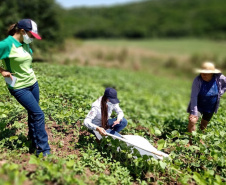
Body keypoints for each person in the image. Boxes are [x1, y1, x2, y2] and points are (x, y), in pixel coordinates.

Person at [0, 19, 50, 156]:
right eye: (32, 35)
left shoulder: (24, 43)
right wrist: (2, 71)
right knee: (38, 114)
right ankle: (44, 150)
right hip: (19, 87)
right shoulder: (6, 44)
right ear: (22, 31)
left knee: (33, 114)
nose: (33, 38)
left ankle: (34, 142)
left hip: (33, 83)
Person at [187, 61, 226, 144]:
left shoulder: (219, 78)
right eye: (202, 72)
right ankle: (190, 141)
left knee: (204, 124)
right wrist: (194, 113)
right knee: (192, 121)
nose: (203, 75)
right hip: (198, 105)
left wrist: (220, 92)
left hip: (210, 106)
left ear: (212, 73)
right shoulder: (197, 80)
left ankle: (200, 139)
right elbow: (194, 96)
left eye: (206, 73)